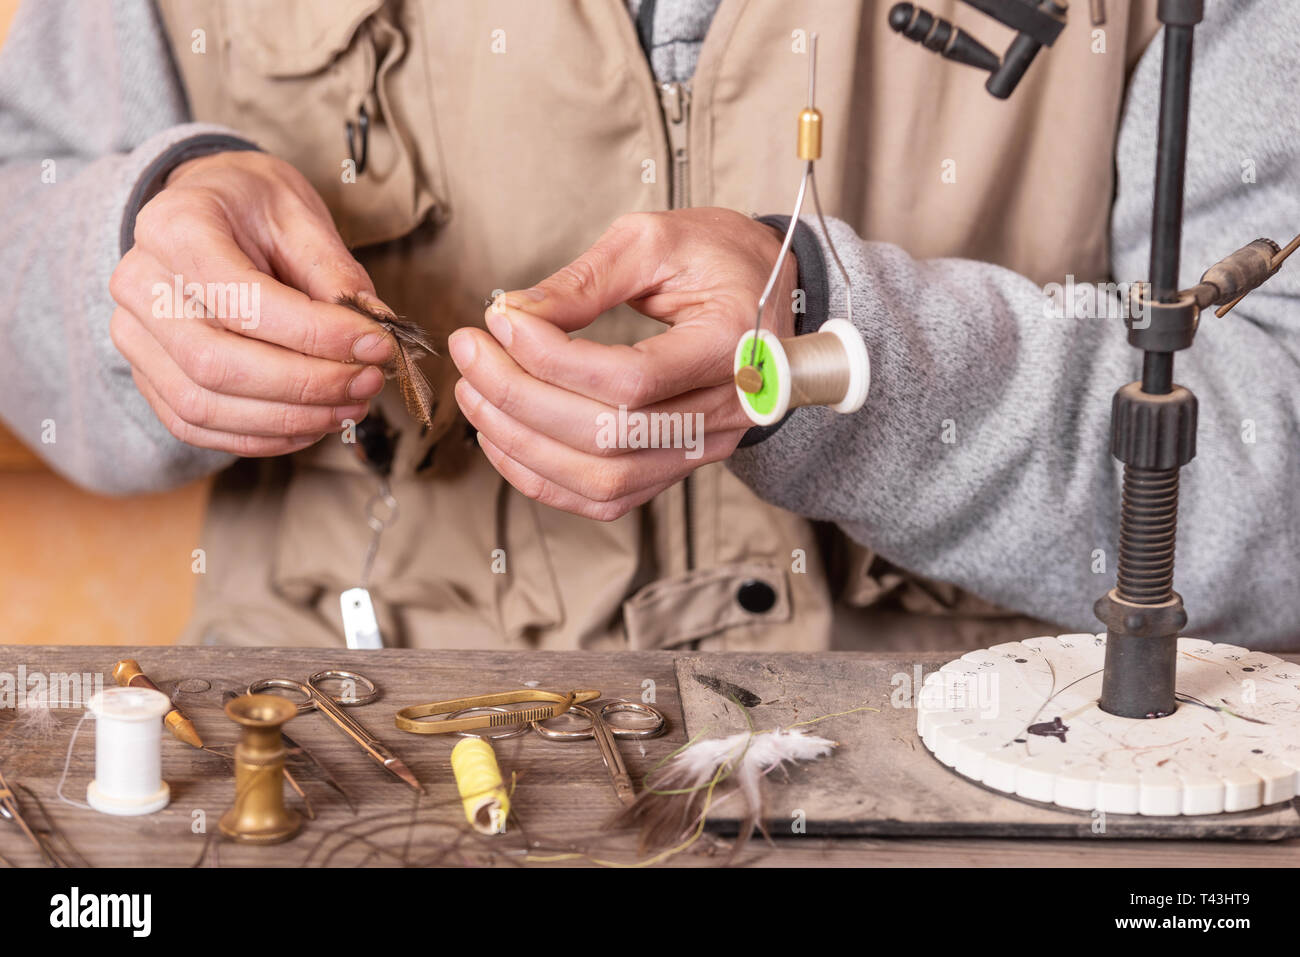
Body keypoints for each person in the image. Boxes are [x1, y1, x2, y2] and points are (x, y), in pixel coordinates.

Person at [1, 1, 1295, 651]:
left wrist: (846, 362)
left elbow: (1275, 445)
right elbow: (24, 200)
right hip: (356, 758)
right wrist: (132, 253)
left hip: (988, 778)